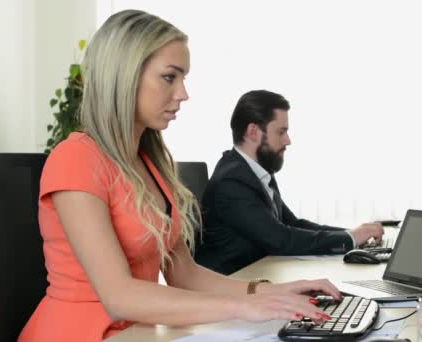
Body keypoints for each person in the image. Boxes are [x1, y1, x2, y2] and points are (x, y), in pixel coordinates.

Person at [20, 10, 340, 342]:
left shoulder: (150, 163)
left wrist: (267, 293)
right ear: (124, 74)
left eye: (183, 78)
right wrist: (242, 308)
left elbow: (184, 274)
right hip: (82, 332)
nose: (183, 93)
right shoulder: (76, 158)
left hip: (137, 332)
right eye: (170, 77)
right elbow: (120, 298)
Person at [195, 90, 384, 275]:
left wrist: (353, 234)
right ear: (253, 132)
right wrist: (350, 238)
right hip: (233, 288)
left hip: (259, 276)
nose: (288, 140)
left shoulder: (256, 170)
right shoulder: (232, 180)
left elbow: (292, 224)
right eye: (281, 132)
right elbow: (280, 239)